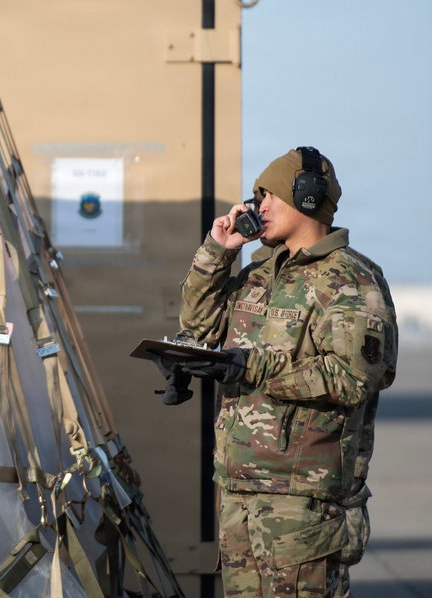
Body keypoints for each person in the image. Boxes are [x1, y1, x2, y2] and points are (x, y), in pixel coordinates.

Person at [153, 147, 397, 597]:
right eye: (256, 197)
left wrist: (252, 366)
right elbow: (200, 326)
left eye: (269, 196)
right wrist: (218, 253)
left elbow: (353, 377)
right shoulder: (258, 275)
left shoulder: (350, 280)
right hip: (240, 491)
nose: (256, 207)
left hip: (303, 503)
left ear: (307, 198)